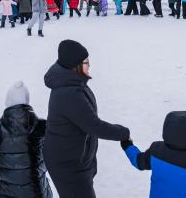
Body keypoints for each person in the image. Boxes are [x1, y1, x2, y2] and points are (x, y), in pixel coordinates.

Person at [44, 40, 130, 198]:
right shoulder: (70, 93)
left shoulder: (71, 82)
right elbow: (94, 125)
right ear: (74, 65)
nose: (89, 65)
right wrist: (123, 133)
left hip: (73, 157)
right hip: (67, 165)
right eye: (86, 62)